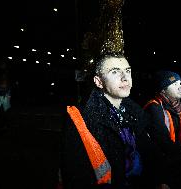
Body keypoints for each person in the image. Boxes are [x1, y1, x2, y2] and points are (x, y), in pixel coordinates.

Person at [60, 54, 169, 189]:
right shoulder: (82, 119)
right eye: (115, 72)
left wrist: (161, 180)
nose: (125, 78)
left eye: (127, 71)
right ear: (99, 82)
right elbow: (75, 177)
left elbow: (151, 153)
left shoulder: (135, 114)